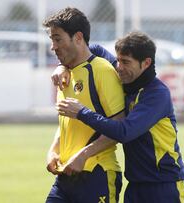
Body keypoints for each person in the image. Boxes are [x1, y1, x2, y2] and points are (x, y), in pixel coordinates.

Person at [55, 31, 184, 203]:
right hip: (135, 186)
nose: (118, 67)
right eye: (118, 60)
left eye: (125, 62)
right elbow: (91, 49)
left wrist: (82, 112)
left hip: (165, 186)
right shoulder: (126, 75)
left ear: (146, 63)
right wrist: (62, 66)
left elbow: (124, 132)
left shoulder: (157, 94)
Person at [43, 7, 126, 203]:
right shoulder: (64, 74)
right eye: (52, 40)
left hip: (98, 174)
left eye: (58, 39)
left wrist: (83, 155)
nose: (53, 47)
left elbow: (119, 125)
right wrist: (53, 150)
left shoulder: (101, 70)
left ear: (78, 37)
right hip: (65, 175)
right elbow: (65, 124)